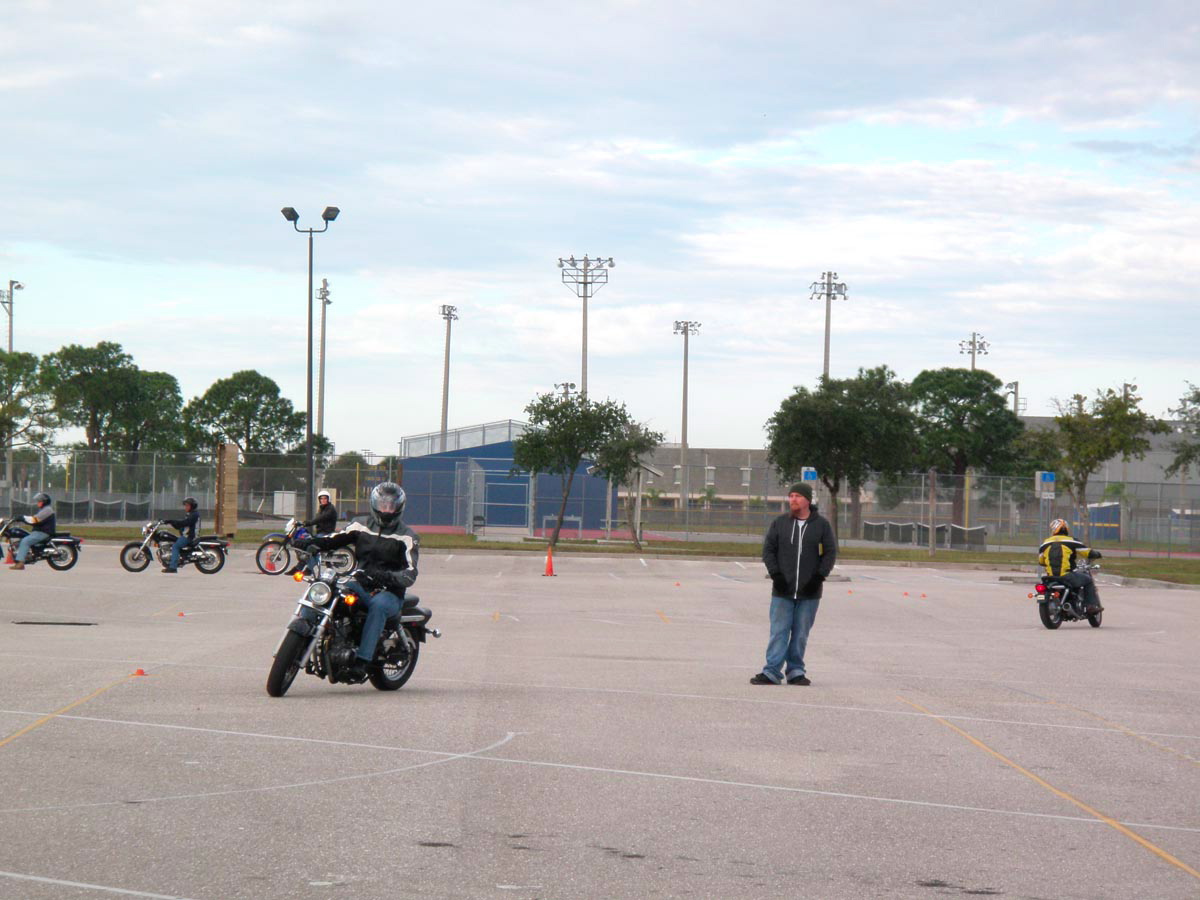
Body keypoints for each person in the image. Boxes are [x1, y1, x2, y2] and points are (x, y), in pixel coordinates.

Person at [302, 482, 419, 679]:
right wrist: (309, 542)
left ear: (398, 508)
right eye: (382, 505)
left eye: (391, 506)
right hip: (360, 583)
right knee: (327, 591)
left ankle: (362, 661)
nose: (386, 509)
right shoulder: (360, 525)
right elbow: (333, 539)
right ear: (374, 505)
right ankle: (304, 635)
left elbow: (410, 572)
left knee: (378, 606)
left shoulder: (407, 536)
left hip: (389, 591)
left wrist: (388, 576)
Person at [752, 483, 837, 686]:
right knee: (779, 632)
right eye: (791, 496)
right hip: (783, 591)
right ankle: (772, 671)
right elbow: (768, 551)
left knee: (800, 634)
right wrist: (776, 575)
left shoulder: (821, 525)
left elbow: (830, 553)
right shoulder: (780, 523)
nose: (793, 500)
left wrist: (818, 577)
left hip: (810, 592)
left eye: (798, 496)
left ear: (808, 500)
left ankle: (796, 671)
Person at [1038, 518, 1102, 614]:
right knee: (1088, 580)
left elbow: (1041, 561)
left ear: (1053, 530)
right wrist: (1097, 554)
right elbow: (1087, 552)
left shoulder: (1044, 544)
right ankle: (1090, 606)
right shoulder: (1071, 541)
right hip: (1066, 576)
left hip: (1050, 577)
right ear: (1066, 529)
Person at [291, 489, 339, 576]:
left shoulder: (330, 509)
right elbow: (318, 519)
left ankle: (307, 569)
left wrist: (307, 523)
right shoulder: (322, 509)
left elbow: (319, 519)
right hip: (321, 533)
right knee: (309, 544)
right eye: (321, 498)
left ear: (328, 499)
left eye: (325, 498)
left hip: (326, 534)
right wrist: (304, 523)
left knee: (312, 548)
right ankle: (303, 567)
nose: (323, 500)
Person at [9, 492, 56, 570]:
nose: (38, 503)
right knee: (23, 539)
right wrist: (21, 518)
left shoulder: (47, 510)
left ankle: (20, 563)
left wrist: (22, 518)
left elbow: (34, 520)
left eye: (39, 501)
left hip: (43, 532)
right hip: (39, 531)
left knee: (25, 541)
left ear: (44, 502)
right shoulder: (44, 509)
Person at [162, 497, 199, 573]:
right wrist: (170, 522)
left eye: (187, 505)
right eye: (185, 505)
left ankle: (173, 567)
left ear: (192, 506)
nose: (186, 507)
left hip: (189, 536)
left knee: (175, 546)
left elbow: (185, 523)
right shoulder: (191, 514)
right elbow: (182, 525)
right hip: (186, 535)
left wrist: (171, 521)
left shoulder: (194, 515)